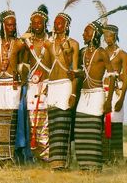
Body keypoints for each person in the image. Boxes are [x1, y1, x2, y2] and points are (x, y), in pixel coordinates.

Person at [74, 21, 115, 171]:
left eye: (86, 32)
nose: (83, 34)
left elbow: (112, 76)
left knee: (93, 131)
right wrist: (75, 73)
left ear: (94, 35)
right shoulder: (83, 51)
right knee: (80, 130)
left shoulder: (101, 52)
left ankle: (95, 167)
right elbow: (82, 71)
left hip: (97, 94)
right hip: (84, 95)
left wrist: (109, 100)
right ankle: (84, 166)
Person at [0, 9, 25, 166]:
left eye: (14, 25)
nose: (12, 28)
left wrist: (21, 75)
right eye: (9, 25)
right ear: (3, 26)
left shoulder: (20, 43)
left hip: (12, 84)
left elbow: (24, 64)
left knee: (11, 119)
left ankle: (9, 157)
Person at [46, 12, 79, 170]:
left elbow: (75, 71)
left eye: (60, 23)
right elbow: (46, 67)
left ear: (67, 26)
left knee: (63, 123)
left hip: (66, 84)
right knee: (53, 124)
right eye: (55, 22)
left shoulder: (73, 44)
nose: (56, 25)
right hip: (52, 85)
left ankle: (63, 163)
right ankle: (54, 162)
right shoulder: (48, 43)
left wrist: (73, 93)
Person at [23, 5, 51, 162]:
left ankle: (46, 157)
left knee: (45, 122)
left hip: (47, 84)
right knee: (32, 120)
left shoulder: (51, 41)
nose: (36, 25)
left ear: (45, 23)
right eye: (34, 22)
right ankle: (34, 156)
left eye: (39, 22)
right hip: (32, 85)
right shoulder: (27, 42)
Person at [102, 24, 127, 164]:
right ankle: (104, 157)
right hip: (102, 91)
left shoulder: (122, 54)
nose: (107, 39)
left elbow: (126, 77)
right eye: (105, 36)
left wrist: (122, 99)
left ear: (116, 36)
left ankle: (116, 159)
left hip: (116, 93)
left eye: (110, 36)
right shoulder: (101, 52)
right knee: (102, 123)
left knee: (115, 123)